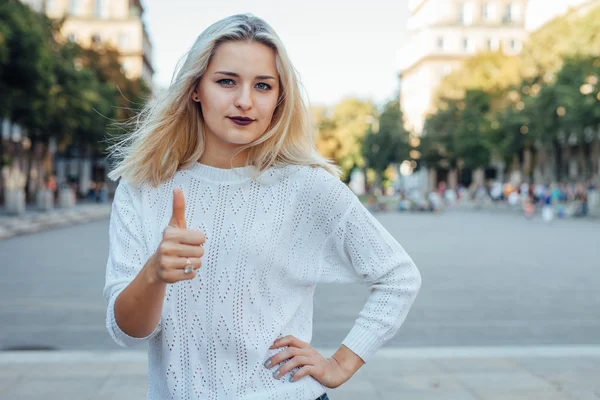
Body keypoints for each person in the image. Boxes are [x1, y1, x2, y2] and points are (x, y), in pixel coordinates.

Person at [103, 14, 421, 400]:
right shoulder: (144, 187)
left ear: (279, 98)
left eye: (263, 86)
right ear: (195, 89)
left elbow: (398, 277)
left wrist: (341, 362)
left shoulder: (307, 186)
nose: (245, 101)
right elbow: (127, 331)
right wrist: (154, 273)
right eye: (226, 81)